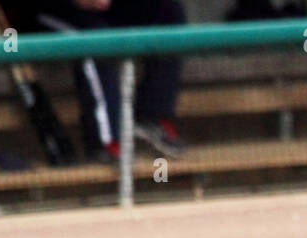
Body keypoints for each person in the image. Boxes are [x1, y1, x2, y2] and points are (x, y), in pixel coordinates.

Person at [14, 0, 186, 162]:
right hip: (42, 10)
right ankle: (106, 142)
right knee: (94, 37)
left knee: (167, 10)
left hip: (103, 9)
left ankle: (152, 116)